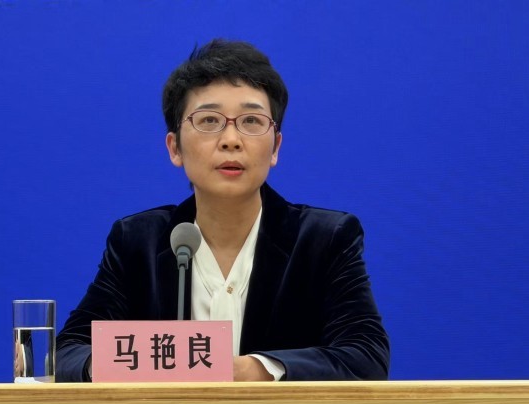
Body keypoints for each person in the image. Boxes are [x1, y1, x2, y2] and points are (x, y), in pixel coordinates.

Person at [56, 39, 390, 382]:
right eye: (209, 120)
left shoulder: (324, 239)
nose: (231, 139)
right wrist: (137, 363)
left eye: (251, 120)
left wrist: (251, 369)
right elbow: (69, 352)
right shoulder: (137, 242)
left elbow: (365, 357)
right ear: (175, 148)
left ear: (275, 147)